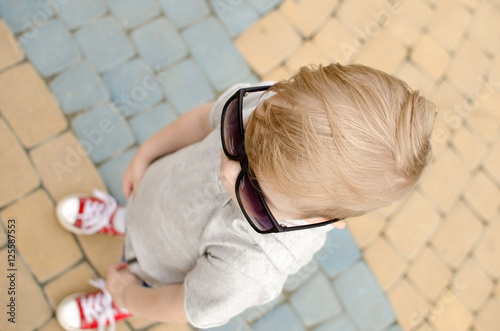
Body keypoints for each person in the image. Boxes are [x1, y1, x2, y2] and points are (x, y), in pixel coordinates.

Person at [55, 63, 436, 330]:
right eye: (239, 137)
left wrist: (130, 298)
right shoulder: (276, 111)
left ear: (329, 220)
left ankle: (113, 299)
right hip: (158, 192)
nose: (225, 170)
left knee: (138, 284)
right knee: (140, 212)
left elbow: (184, 303)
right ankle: (124, 218)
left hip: (158, 272)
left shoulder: (252, 267)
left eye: (254, 193)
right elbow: (203, 119)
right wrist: (147, 154)